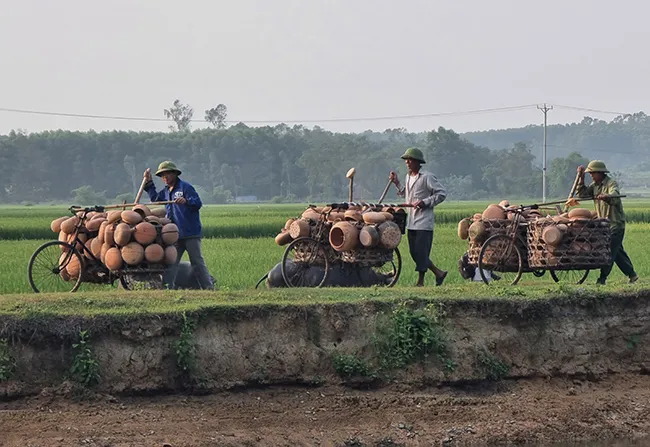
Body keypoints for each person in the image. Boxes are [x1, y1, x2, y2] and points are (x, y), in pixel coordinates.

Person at [143, 161, 214, 290]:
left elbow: (197, 203)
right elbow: (155, 199)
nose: (165, 177)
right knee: (171, 262)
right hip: (174, 235)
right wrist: (149, 183)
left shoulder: (185, 187)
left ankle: (208, 288)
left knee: (197, 262)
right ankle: (168, 288)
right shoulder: (165, 191)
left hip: (190, 233)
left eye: (168, 174)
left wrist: (186, 201)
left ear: (174, 174)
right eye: (163, 175)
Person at [389, 147, 448, 287]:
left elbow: (441, 193)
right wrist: (397, 183)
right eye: (406, 160)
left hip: (423, 222)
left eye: (410, 160)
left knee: (422, 252)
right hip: (411, 221)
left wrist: (425, 202)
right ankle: (438, 273)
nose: (407, 162)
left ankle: (421, 281)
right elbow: (408, 195)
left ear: (417, 162)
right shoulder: (408, 177)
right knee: (414, 253)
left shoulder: (427, 177)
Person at [575, 160, 638, 285]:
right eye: (590, 174)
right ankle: (632, 274)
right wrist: (581, 178)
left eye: (592, 173)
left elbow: (615, 194)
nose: (591, 176)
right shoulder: (594, 186)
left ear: (600, 173)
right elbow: (582, 195)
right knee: (617, 252)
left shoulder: (611, 183)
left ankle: (602, 278)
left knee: (608, 251)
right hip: (604, 226)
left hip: (615, 224)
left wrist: (607, 196)